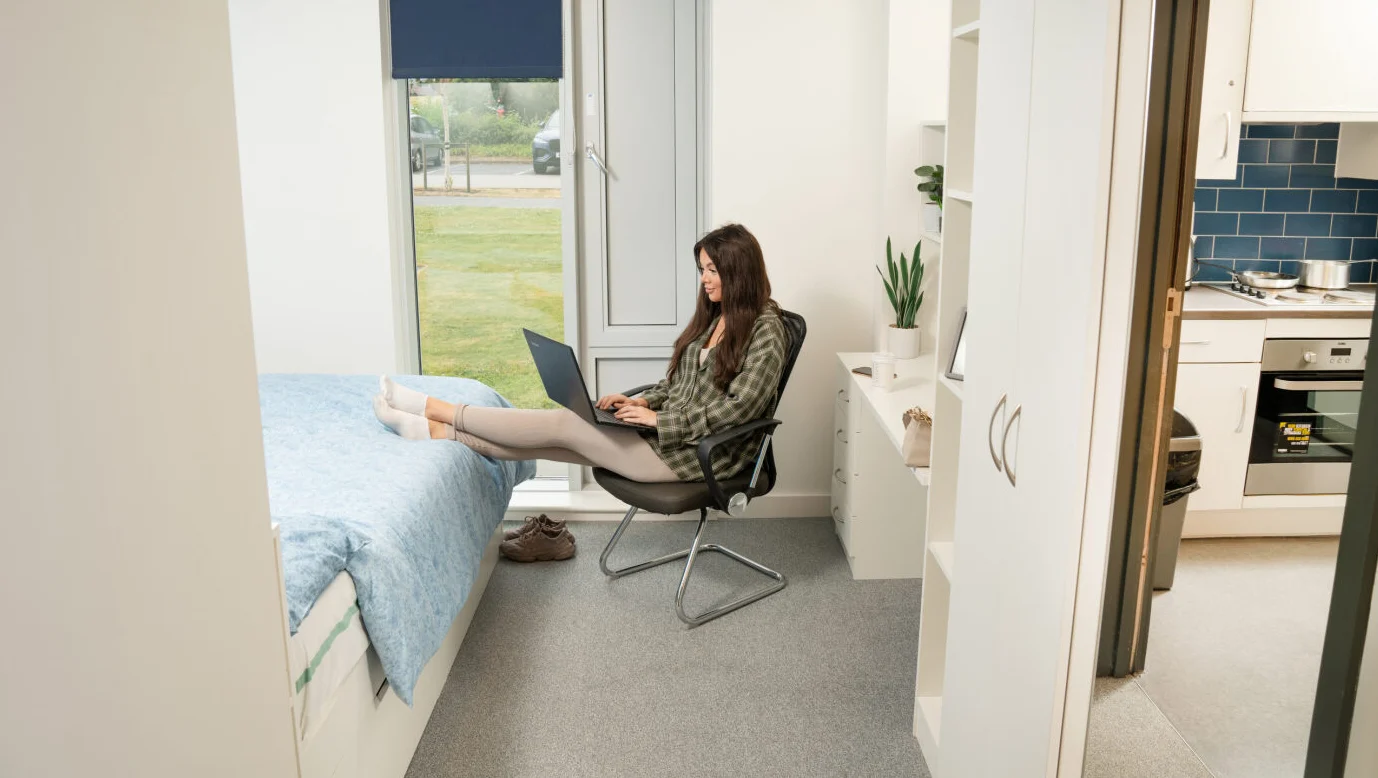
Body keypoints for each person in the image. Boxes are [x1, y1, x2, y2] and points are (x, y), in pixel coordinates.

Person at [372, 223, 789, 559]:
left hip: (700, 457)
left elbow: (740, 409)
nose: (704, 280)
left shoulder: (767, 330)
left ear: (738, 272)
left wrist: (660, 420)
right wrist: (642, 402)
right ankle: (434, 431)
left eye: (712, 271)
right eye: (702, 270)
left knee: (563, 424)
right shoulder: (716, 317)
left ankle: (433, 408)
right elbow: (678, 385)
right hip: (665, 438)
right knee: (558, 440)